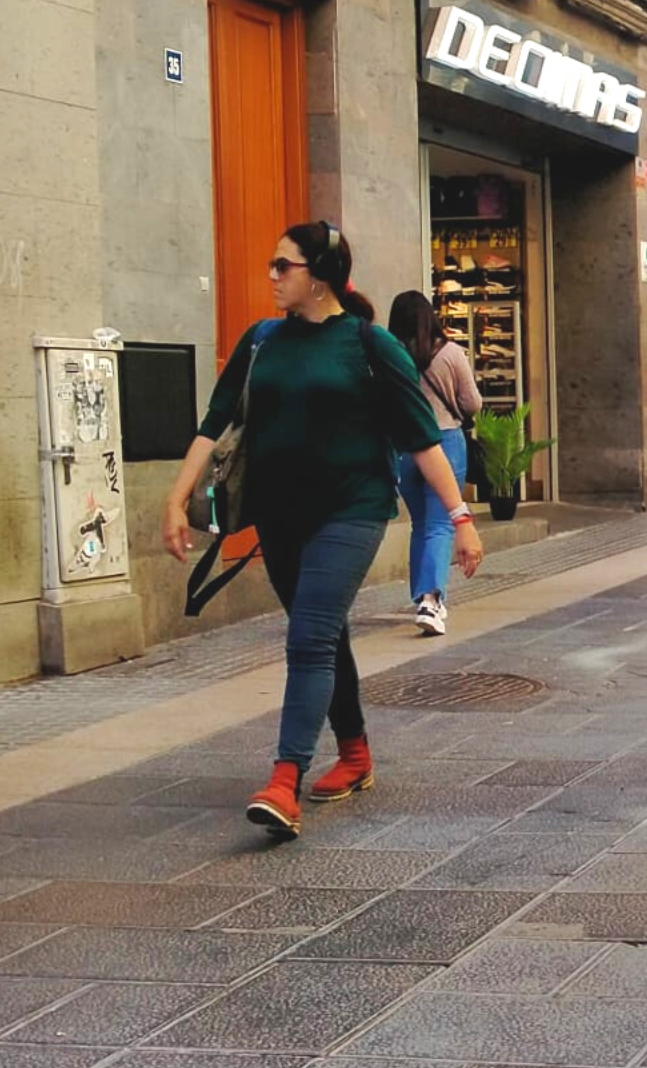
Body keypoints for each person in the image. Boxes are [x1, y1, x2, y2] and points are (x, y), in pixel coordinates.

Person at [160, 222, 483, 839]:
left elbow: (421, 438)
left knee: (307, 638)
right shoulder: (262, 341)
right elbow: (215, 420)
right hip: (278, 515)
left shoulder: (368, 344)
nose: (272, 276)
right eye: (273, 265)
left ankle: (285, 780)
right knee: (324, 634)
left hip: (352, 511)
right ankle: (356, 754)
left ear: (320, 276)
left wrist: (460, 520)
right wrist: (176, 500)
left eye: (284, 266)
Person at [386, 291, 481, 637]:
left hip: (404, 448)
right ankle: (431, 599)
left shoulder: (391, 356)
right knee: (441, 524)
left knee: (421, 524)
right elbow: (472, 403)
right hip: (446, 443)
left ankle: (423, 597)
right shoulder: (451, 353)